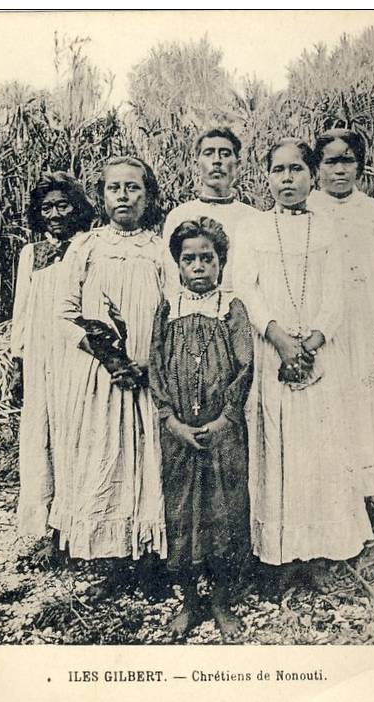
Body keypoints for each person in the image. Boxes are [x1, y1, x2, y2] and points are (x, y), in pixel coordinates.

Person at [233, 138, 373, 591]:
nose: (287, 179)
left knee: (321, 450)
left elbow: (338, 295)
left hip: (319, 355)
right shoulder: (254, 230)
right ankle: (279, 557)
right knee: (277, 447)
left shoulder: (326, 228)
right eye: (278, 170)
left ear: (311, 175)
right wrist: (279, 338)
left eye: (296, 169)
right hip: (272, 352)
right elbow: (247, 290)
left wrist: (311, 341)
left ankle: (321, 552)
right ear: (267, 176)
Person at [50, 157, 166, 574]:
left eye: (133, 187)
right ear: (102, 197)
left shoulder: (158, 248)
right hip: (101, 377)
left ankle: (149, 558)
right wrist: (109, 358)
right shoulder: (86, 246)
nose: (124, 195)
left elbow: (172, 311)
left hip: (148, 376)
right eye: (114, 188)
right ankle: (112, 562)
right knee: (105, 457)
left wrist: (147, 361)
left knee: (147, 458)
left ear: (147, 196)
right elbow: (63, 313)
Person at [149, 217, 253, 641]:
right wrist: (171, 421)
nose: (197, 267)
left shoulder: (232, 308)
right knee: (182, 511)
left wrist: (224, 418)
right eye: (188, 259)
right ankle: (189, 600)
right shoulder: (167, 309)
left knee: (224, 509)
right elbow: (155, 367)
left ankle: (222, 599)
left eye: (206, 258)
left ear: (221, 263)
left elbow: (245, 367)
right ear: (177, 264)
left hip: (222, 431)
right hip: (179, 433)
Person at [310, 128, 374, 507]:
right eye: (331, 162)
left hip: (369, 317)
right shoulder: (310, 208)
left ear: (360, 166)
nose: (339, 170)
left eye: (347, 160)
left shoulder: (373, 210)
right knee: (335, 395)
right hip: (328, 321)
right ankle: (340, 488)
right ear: (317, 168)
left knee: (372, 394)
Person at [11, 171, 95, 556]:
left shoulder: (89, 247)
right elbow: (23, 312)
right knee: (41, 438)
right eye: (47, 208)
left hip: (76, 356)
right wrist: (18, 361)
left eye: (63, 205)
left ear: (77, 208)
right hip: (41, 359)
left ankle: (78, 529)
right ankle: (52, 533)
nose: (56, 214)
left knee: (76, 438)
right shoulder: (31, 254)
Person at [162, 127, 261, 297]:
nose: (217, 161)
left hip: (243, 313)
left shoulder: (254, 218)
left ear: (238, 164)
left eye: (225, 153)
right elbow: (172, 280)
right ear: (196, 163)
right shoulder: (179, 216)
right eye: (209, 153)